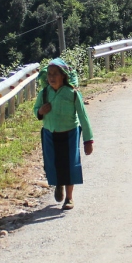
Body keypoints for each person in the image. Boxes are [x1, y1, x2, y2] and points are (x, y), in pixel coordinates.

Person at [33, 58, 94, 210]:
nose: (52, 77)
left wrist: (88, 140)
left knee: (69, 165)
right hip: (49, 134)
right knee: (52, 164)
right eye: (49, 74)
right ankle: (58, 184)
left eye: (55, 74)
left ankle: (69, 198)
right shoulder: (44, 93)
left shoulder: (72, 93)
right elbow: (35, 110)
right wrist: (40, 111)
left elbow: (83, 116)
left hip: (70, 134)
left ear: (63, 76)